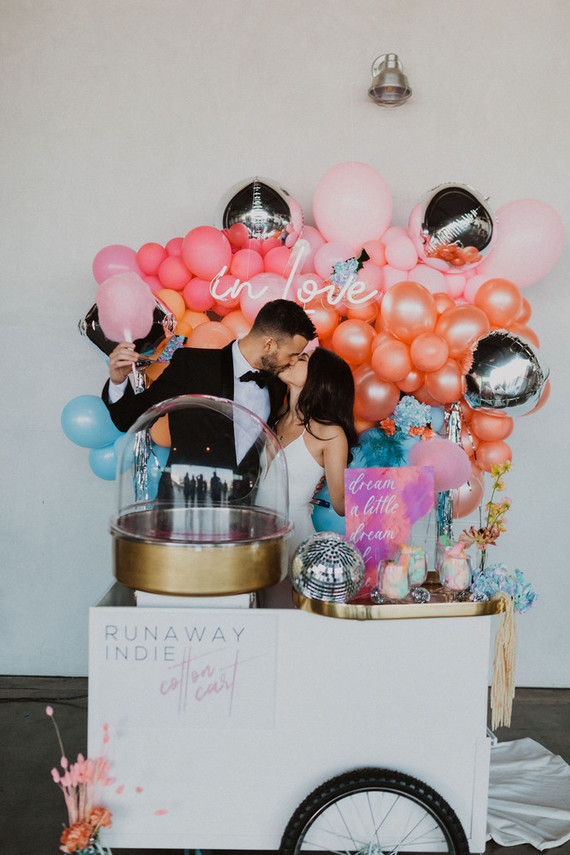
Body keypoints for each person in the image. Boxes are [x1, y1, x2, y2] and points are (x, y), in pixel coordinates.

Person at [103, 300, 316, 477]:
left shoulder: (277, 384)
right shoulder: (192, 365)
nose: (293, 362)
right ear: (268, 345)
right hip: (185, 507)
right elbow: (130, 419)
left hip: (244, 513)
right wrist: (118, 380)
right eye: (292, 354)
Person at [259, 346, 358, 608]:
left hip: (295, 547)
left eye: (302, 358)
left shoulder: (330, 433)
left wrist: (390, 495)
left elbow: (340, 504)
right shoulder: (276, 416)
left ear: (320, 377)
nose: (291, 359)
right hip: (255, 541)